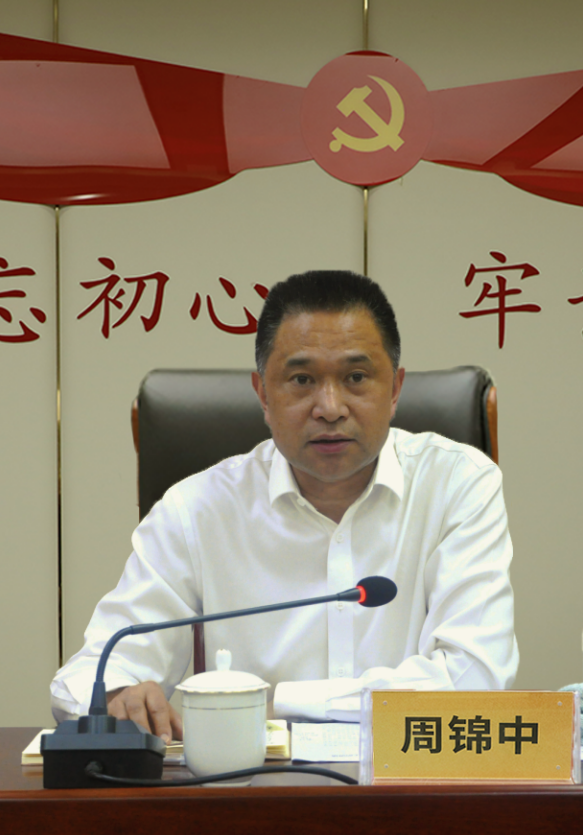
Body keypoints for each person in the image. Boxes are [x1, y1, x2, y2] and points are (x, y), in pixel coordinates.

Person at [51, 270, 519, 743]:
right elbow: (91, 673)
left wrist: (283, 703)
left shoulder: (457, 484)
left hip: (412, 779)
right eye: (301, 380)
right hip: (249, 784)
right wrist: (118, 696)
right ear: (262, 394)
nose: (330, 407)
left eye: (356, 378)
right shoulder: (197, 509)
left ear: (395, 389)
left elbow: (477, 679)